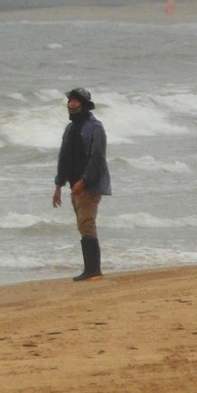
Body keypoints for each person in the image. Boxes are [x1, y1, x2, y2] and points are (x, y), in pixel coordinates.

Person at [52, 86, 111, 280]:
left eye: (76, 101)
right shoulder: (70, 129)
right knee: (82, 224)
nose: (72, 103)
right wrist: (59, 185)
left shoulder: (95, 127)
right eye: (71, 101)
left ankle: (93, 270)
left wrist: (84, 181)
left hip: (89, 184)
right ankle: (91, 269)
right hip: (74, 184)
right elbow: (64, 158)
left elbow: (98, 157)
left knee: (87, 223)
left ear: (84, 105)